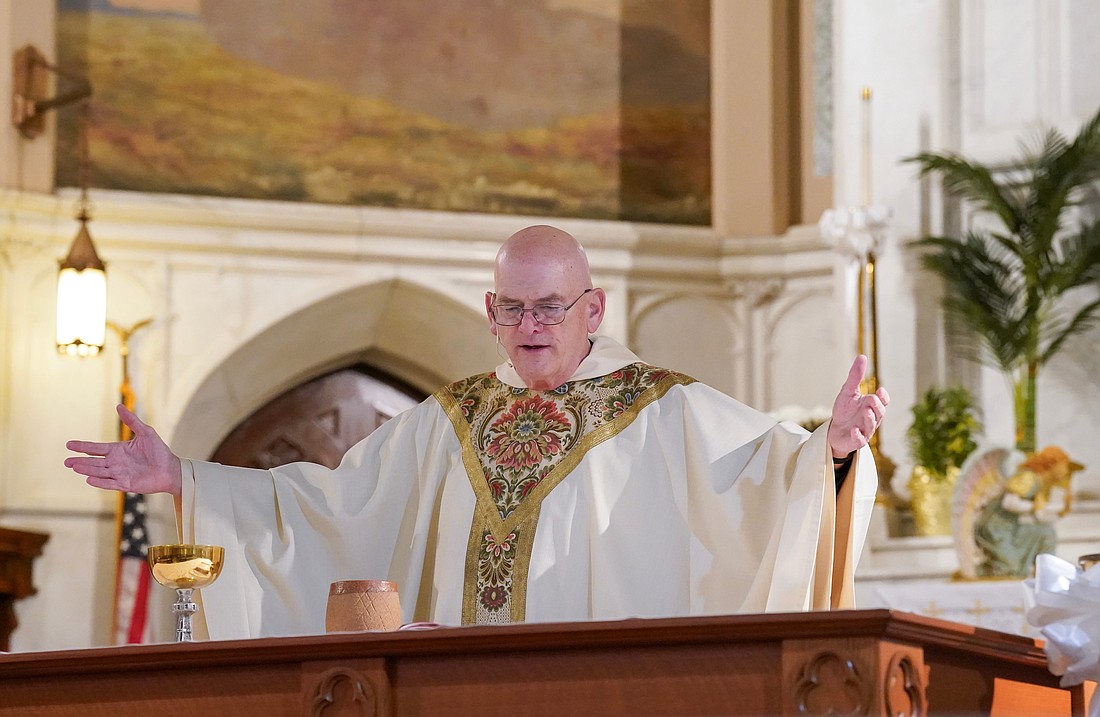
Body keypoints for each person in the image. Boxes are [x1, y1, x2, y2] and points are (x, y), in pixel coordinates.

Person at [66, 224, 889, 639]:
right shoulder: (445, 420)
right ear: (491, 314)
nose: (531, 325)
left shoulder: (662, 408)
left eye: (550, 307)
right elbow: (328, 504)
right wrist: (184, 478)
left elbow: (769, 478)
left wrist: (836, 449)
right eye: (512, 308)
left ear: (592, 310)